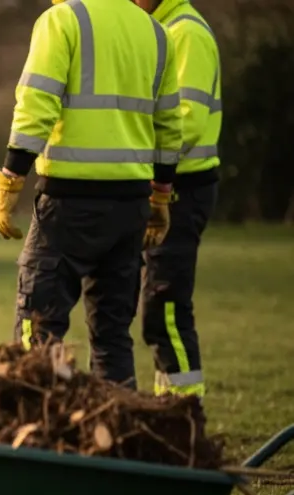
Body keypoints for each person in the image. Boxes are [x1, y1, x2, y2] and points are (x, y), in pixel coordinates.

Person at [0, 0, 183, 386]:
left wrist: (11, 178)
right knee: (113, 338)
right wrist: (161, 196)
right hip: (130, 207)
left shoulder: (62, 21)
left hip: (68, 204)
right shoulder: (156, 33)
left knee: (38, 330)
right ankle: (119, 434)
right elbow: (168, 125)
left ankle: (36, 431)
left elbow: (36, 105)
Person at [132, 0, 222, 400]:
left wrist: (133, 150)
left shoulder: (185, 32)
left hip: (182, 188)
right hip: (165, 184)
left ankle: (186, 414)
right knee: (156, 306)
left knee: (165, 307)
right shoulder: (157, 28)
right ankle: (169, 409)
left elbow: (186, 122)